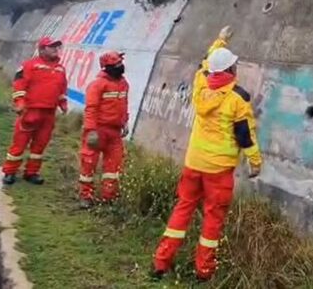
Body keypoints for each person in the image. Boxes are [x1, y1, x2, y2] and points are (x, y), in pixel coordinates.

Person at [152, 26, 262, 282]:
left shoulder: (201, 83)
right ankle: (204, 271)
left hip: (194, 164)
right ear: (231, 71)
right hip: (218, 172)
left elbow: (207, 60)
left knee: (182, 209)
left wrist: (221, 39)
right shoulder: (238, 98)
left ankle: (161, 261)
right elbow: (245, 136)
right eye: (234, 66)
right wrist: (255, 162)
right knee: (212, 221)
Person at [2, 37, 68, 185]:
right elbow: (19, 85)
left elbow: (62, 88)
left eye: (57, 47)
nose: (55, 49)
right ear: (42, 49)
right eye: (52, 47)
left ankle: (31, 172)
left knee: (40, 145)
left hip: (49, 113)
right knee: (19, 143)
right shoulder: (29, 65)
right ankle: (10, 172)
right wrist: (19, 103)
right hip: (30, 111)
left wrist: (63, 103)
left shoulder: (60, 68)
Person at [78, 51, 130, 209]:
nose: (120, 67)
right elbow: (91, 109)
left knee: (114, 166)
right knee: (89, 163)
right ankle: (85, 196)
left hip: (114, 132)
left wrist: (125, 122)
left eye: (120, 63)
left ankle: (109, 197)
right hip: (98, 130)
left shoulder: (123, 83)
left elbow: (124, 104)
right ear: (107, 67)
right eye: (117, 64)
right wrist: (90, 130)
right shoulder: (97, 84)